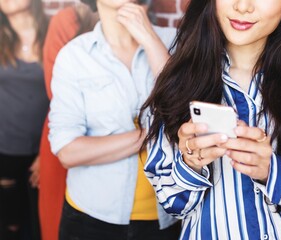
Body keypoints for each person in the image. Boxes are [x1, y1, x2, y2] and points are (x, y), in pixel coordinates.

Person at [140, 0, 281, 239]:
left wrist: (272, 172)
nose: (243, 6)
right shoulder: (178, 81)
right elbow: (172, 205)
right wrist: (191, 163)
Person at [48, 0, 179, 239]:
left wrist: (150, 40)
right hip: (91, 218)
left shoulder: (177, 41)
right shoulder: (74, 56)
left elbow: (184, 115)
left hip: (167, 217)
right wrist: (149, 135)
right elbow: (68, 152)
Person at [38, 4, 98, 240]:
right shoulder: (67, 20)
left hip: (120, 147)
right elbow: (56, 91)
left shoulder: (143, 22)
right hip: (70, 136)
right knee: (58, 224)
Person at [0, 0, 48, 239]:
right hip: (4, 152)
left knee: (40, 225)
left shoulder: (55, 33)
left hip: (45, 151)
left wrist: (46, 151)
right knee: (11, 226)